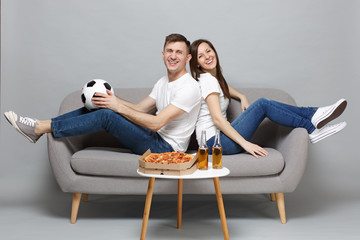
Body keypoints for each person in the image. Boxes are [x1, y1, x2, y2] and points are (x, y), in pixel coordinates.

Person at [4, 34, 201, 155]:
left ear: (187, 58)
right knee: (99, 104)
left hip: (166, 150)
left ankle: (39, 127)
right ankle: (41, 126)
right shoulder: (163, 82)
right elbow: (141, 109)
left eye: (179, 52)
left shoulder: (189, 87)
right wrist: (111, 100)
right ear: (162, 54)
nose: (173, 56)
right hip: (154, 137)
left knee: (107, 115)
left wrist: (116, 107)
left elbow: (157, 123)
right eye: (169, 51)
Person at [189, 39, 347, 158]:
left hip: (219, 142)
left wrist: (242, 96)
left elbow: (224, 87)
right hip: (216, 144)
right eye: (201, 56)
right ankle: (312, 122)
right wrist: (246, 144)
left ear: (214, 51)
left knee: (263, 104)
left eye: (209, 51)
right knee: (262, 105)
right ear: (197, 64)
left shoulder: (213, 79)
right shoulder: (208, 80)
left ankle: (313, 119)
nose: (207, 56)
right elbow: (217, 119)